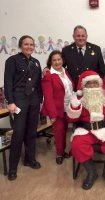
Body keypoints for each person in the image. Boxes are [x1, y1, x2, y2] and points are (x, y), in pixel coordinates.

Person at [66, 70, 105, 190]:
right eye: (89, 83)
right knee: (76, 144)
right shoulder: (78, 99)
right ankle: (91, 172)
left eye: (95, 83)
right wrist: (74, 108)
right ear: (84, 86)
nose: (92, 85)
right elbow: (70, 120)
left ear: (99, 84)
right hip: (85, 130)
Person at [4, 35, 43, 181]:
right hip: (19, 98)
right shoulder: (12, 60)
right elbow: (8, 82)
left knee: (32, 131)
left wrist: (40, 100)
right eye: (26, 44)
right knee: (18, 132)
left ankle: (29, 159)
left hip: (33, 99)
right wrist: (11, 101)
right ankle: (13, 168)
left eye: (31, 45)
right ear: (21, 45)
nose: (29, 47)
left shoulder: (36, 62)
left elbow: (38, 83)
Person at [41, 50, 74, 165]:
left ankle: (64, 150)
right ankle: (59, 153)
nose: (57, 62)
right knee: (59, 132)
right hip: (57, 109)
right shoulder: (48, 75)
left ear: (62, 60)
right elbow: (48, 97)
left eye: (59, 59)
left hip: (68, 108)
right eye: (54, 60)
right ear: (50, 61)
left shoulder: (65, 71)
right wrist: (52, 114)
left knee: (65, 130)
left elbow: (70, 89)